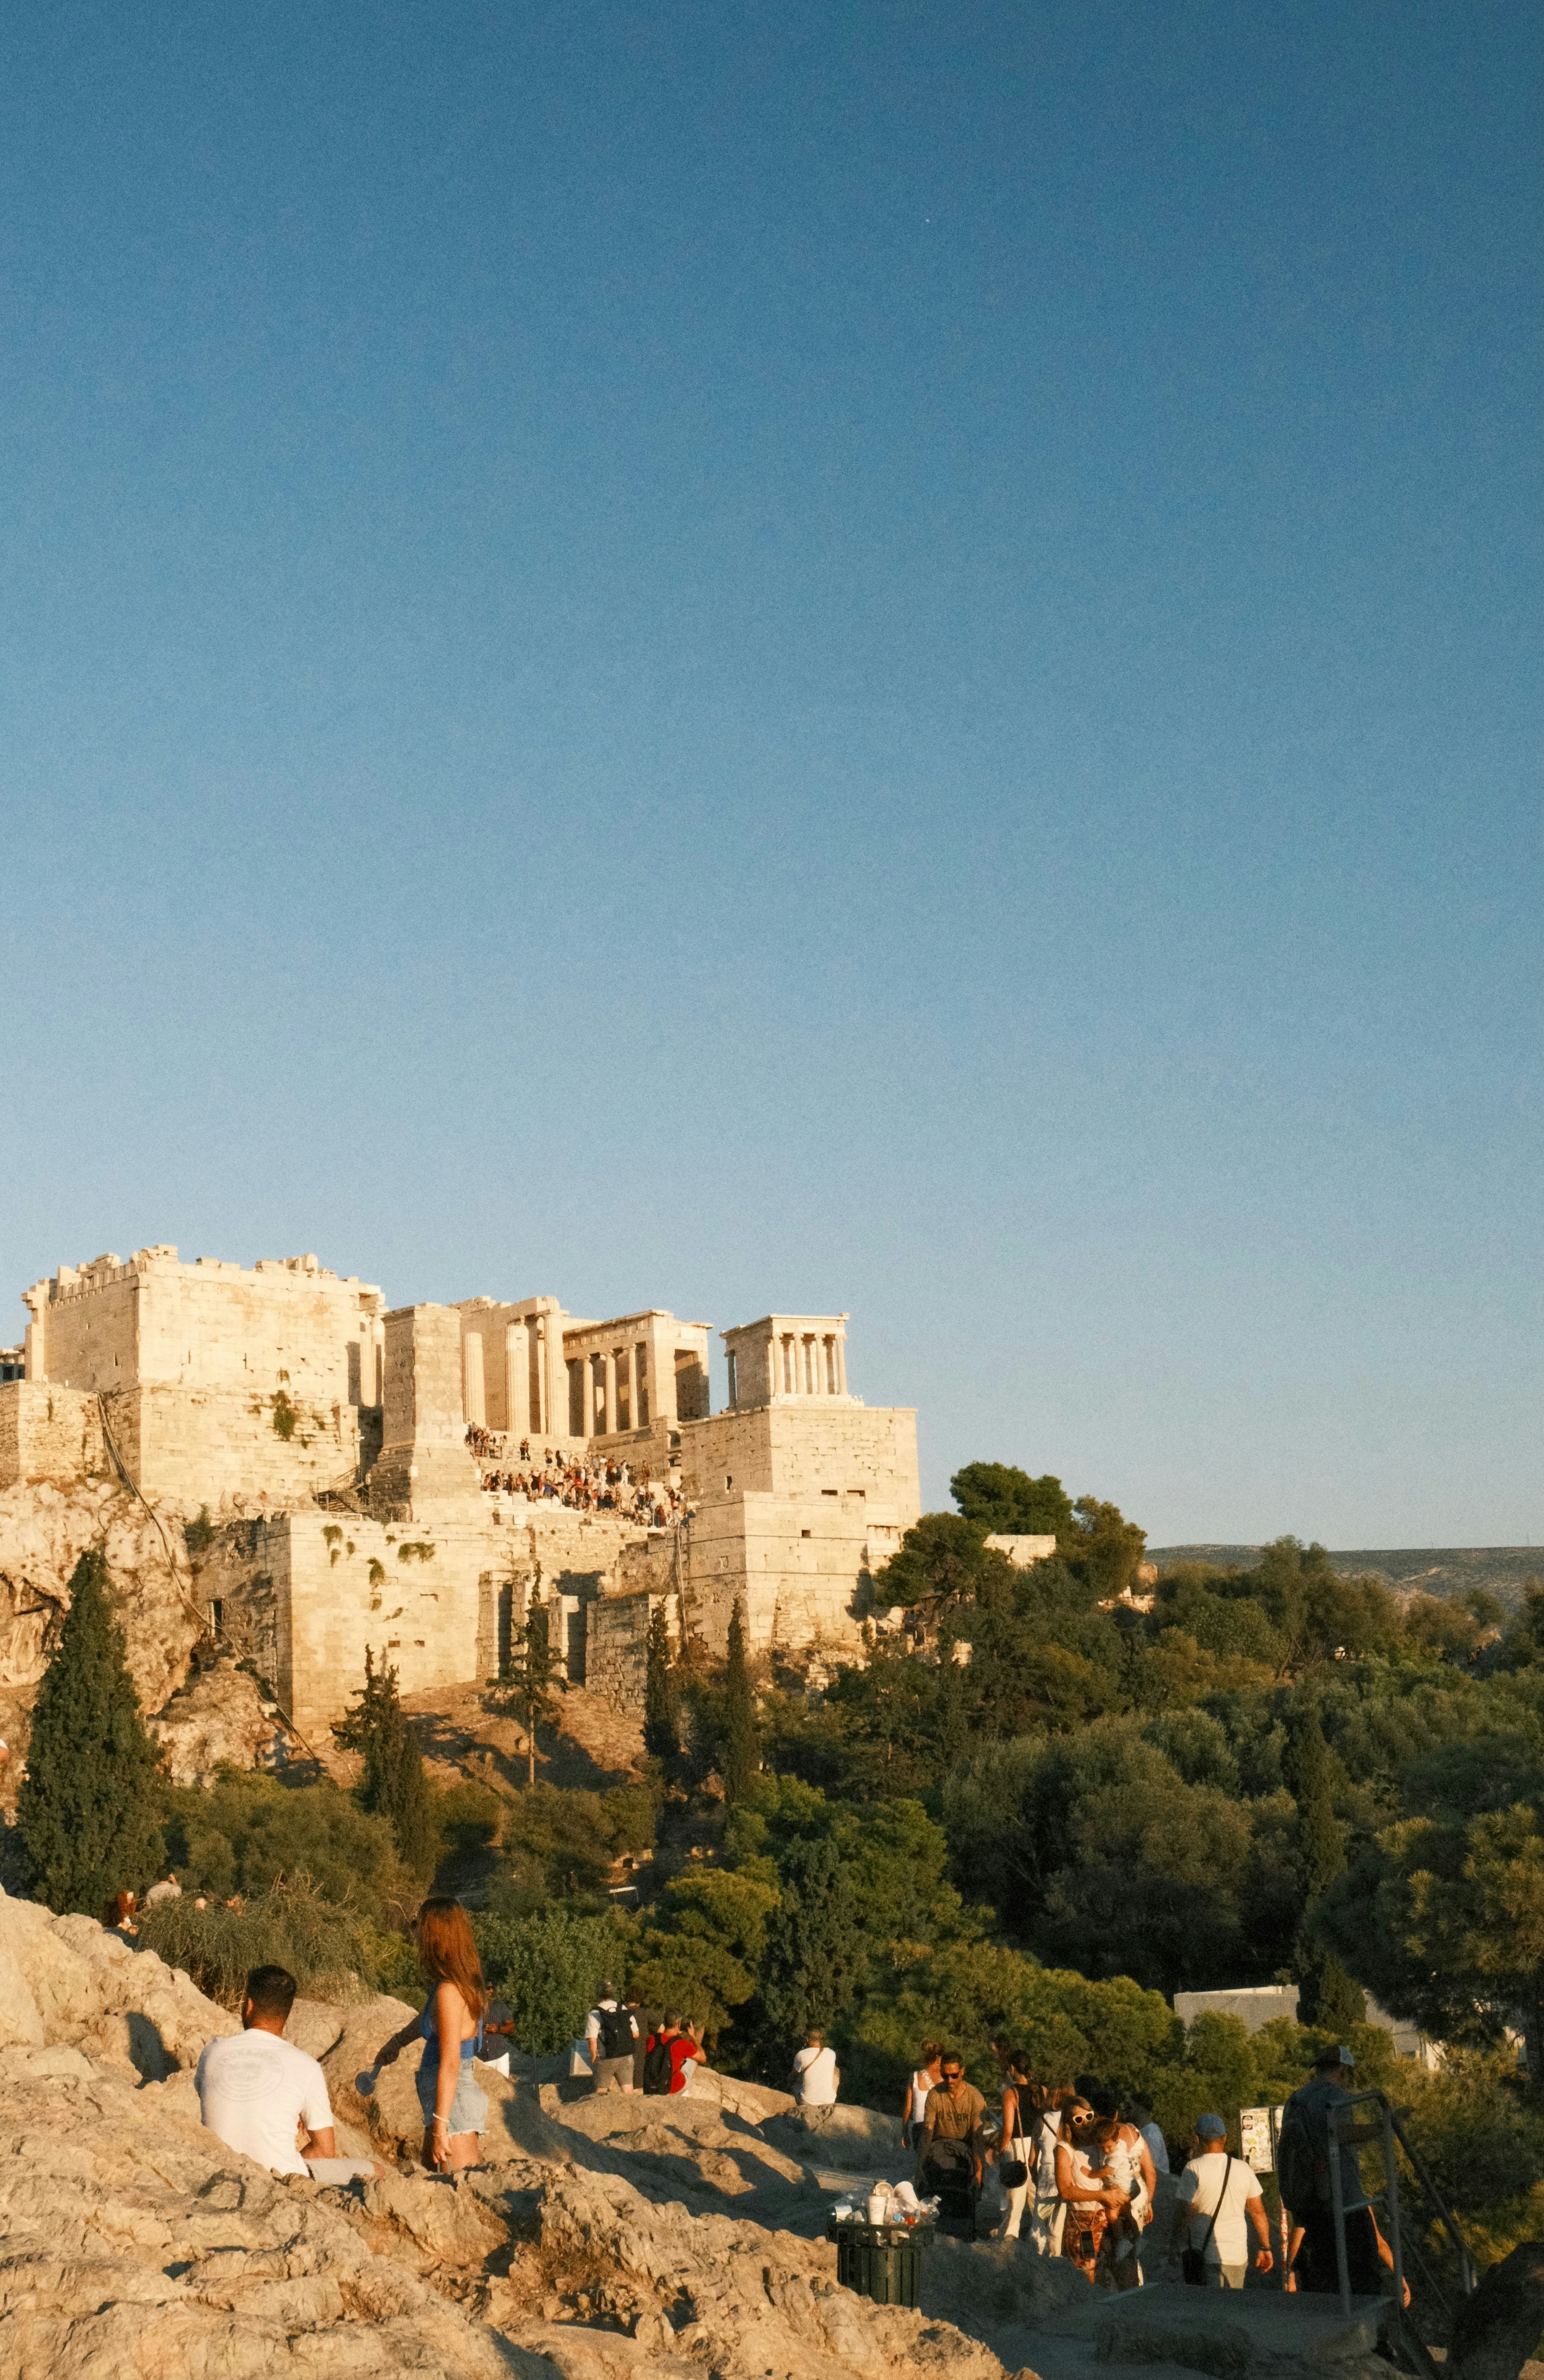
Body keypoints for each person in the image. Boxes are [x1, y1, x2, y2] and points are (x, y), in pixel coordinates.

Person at [196, 1963, 377, 2182]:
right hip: (279, 2179)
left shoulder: (213, 2050)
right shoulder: (307, 2066)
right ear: (287, 2013)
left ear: (249, 2006)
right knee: (376, 2170)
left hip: (217, 2168)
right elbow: (325, 2152)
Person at [375, 1898, 512, 2172]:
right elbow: (431, 2020)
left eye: (421, 1929)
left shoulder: (449, 1991)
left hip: (453, 2107)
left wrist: (441, 2128)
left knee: (457, 2192)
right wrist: (398, 2041)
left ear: (436, 1937)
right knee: (435, 2184)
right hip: (447, 2106)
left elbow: (450, 2063)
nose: (416, 1936)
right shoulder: (452, 1986)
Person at [1279, 2045, 1384, 2296]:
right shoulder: (1335, 2097)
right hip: (1342, 2200)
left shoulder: (1296, 2099)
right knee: (1362, 2274)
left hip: (1310, 2202)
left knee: (1325, 2276)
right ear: (1345, 2071)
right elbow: (1342, 2133)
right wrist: (1383, 2126)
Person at [1167, 2114, 1275, 2289]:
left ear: (1197, 2139)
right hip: (1237, 2255)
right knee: (1233, 2309)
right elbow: (1258, 2212)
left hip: (1204, 2254)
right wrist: (1265, 2247)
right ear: (1224, 2139)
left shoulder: (1193, 2168)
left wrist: (1174, 2244)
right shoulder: (1244, 2169)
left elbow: (1184, 2213)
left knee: (1210, 2310)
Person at [1055, 2098, 1130, 2281]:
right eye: (1078, 2120)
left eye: (1088, 2116)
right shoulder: (1065, 2149)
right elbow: (1066, 2191)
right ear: (1068, 2124)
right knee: (1087, 2280)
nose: (1085, 2123)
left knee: (1115, 2279)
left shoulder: (1103, 2143)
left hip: (1109, 2219)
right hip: (1083, 2223)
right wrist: (1103, 2195)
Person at [996, 2051, 1035, 2242]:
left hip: (1018, 2145)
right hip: (1037, 2145)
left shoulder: (1011, 2094)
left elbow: (1008, 2130)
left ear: (1012, 2069)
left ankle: (1009, 2238)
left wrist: (999, 2150)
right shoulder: (1041, 2091)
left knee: (1015, 2197)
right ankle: (1040, 2239)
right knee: (1036, 2195)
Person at [585, 1982, 639, 2094]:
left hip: (606, 2056)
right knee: (628, 2090)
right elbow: (636, 2034)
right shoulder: (623, 2008)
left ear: (598, 1994)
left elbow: (592, 2040)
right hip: (626, 2054)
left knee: (601, 2091)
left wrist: (594, 2058)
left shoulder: (595, 2013)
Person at [903, 2043, 943, 2151]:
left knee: (922, 2161)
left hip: (919, 2127)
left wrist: (905, 2133)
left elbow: (908, 2108)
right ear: (939, 2059)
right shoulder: (945, 2078)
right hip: (938, 2127)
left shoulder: (915, 2077)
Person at [792, 2029, 839, 2107]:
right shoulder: (831, 2053)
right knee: (836, 2070)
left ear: (807, 2039)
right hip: (829, 2101)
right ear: (821, 2039)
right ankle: (828, 2094)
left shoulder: (801, 2055)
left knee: (797, 2077)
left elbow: (793, 2077)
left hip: (807, 2101)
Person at [1126, 2096, 1169, 2177]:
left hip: (1159, 2181)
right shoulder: (1141, 2130)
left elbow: (1151, 2167)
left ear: (1140, 2109)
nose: (1129, 2111)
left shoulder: (1152, 2135)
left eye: (1132, 2108)